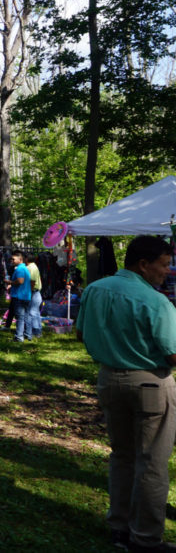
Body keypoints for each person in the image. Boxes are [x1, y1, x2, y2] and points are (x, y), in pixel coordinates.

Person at [76, 235, 176, 553]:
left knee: (122, 456)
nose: (167, 271)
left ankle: (118, 527)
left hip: (108, 380)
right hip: (150, 384)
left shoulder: (95, 289)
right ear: (144, 264)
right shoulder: (156, 301)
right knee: (153, 462)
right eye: (164, 265)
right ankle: (145, 538)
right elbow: (173, 353)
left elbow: (81, 331)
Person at [4, 250, 32, 342]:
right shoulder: (24, 268)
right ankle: (28, 334)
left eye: (13, 259)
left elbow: (20, 281)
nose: (11, 260)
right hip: (25, 296)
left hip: (19, 296)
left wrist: (10, 282)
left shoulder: (20, 269)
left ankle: (19, 337)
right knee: (26, 317)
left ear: (20, 259)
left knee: (20, 318)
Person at [25, 252, 43, 339]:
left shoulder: (30, 267)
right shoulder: (34, 266)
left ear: (26, 259)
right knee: (35, 312)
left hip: (33, 292)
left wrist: (29, 293)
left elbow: (32, 281)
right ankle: (37, 331)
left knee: (32, 313)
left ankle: (34, 331)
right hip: (36, 292)